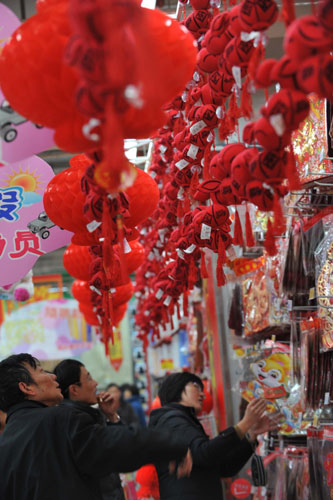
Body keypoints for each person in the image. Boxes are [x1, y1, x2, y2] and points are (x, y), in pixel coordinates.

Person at [0, 354, 192, 500]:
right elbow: (114, 446)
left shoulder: (5, 444)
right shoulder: (61, 419)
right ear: (26, 388)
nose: (52, 377)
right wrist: (173, 444)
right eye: (41, 372)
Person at [149, 371, 279, 500]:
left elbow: (223, 468)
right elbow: (204, 453)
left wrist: (251, 434)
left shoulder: (183, 421)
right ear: (177, 388)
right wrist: (244, 424)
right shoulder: (171, 420)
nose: (203, 395)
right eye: (196, 386)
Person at [53, 359, 125, 500]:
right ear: (74, 389)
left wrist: (111, 416)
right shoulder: (77, 422)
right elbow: (121, 452)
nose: (96, 383)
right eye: (89, 378)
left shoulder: (86, 415)